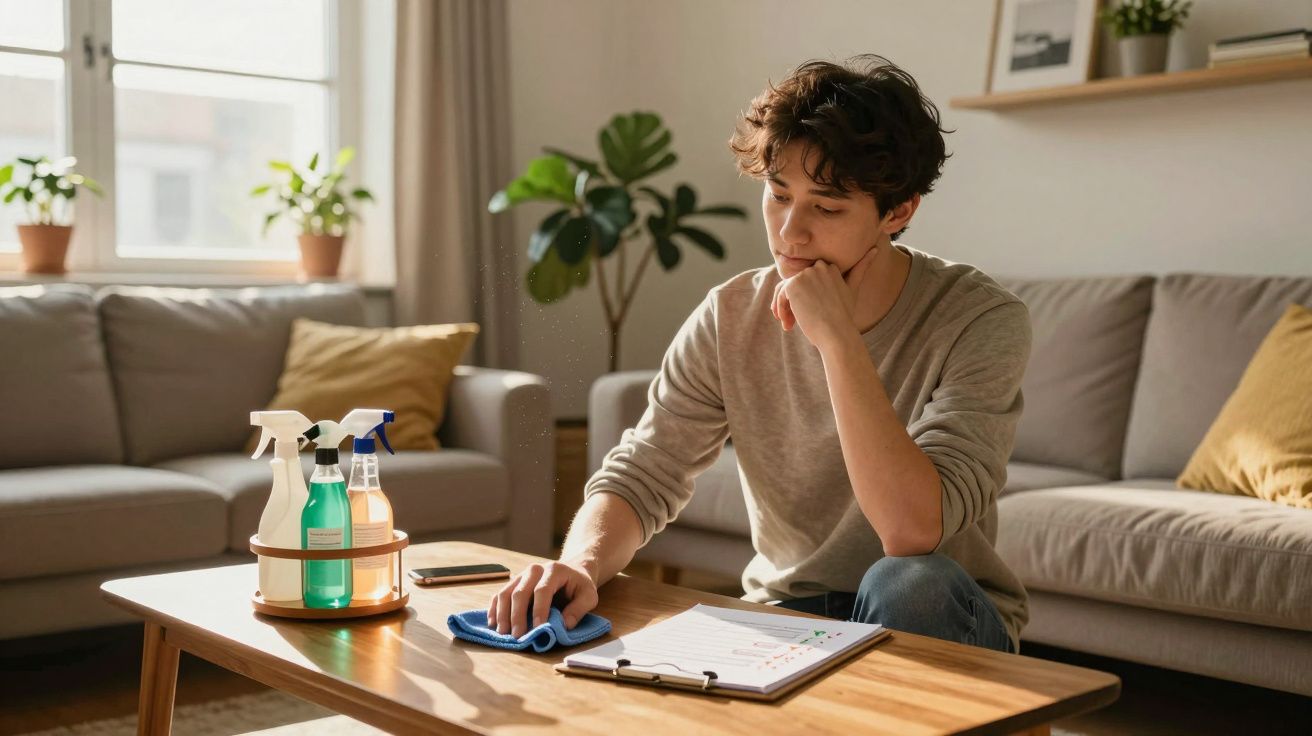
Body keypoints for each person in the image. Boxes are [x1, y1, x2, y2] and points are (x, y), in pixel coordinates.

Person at [488, 54, 1031, 654]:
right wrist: (580, 566)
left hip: (943, 614)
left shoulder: (980, 318)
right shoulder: (730, 314)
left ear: (898, 210)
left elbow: (911, 532)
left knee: (907, 582)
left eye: (827, 207)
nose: (790, 232)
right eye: (778, 195)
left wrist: (838, 341)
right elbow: (647, 468)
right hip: (788, 612)